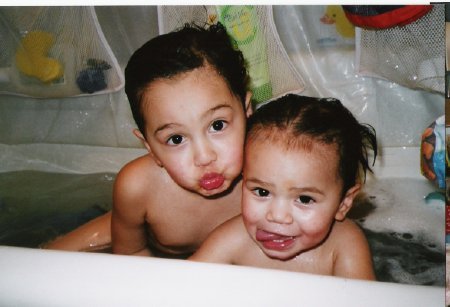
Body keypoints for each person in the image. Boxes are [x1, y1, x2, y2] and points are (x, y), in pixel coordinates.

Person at [44, 22, 252, 257]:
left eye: (217, 125)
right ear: (149, 147)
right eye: (175, 139)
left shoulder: (269, 173)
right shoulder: (137, 187)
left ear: (246, 110)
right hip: (133, 227)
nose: (204, 157)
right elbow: (132, 255)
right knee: (43, 260)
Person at [190, 94, 377, 280]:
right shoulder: (233, 238)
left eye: (304, 199)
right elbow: (180, 281)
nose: (277, 216)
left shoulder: (344, 246)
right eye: (262, 192)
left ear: (343, 203)